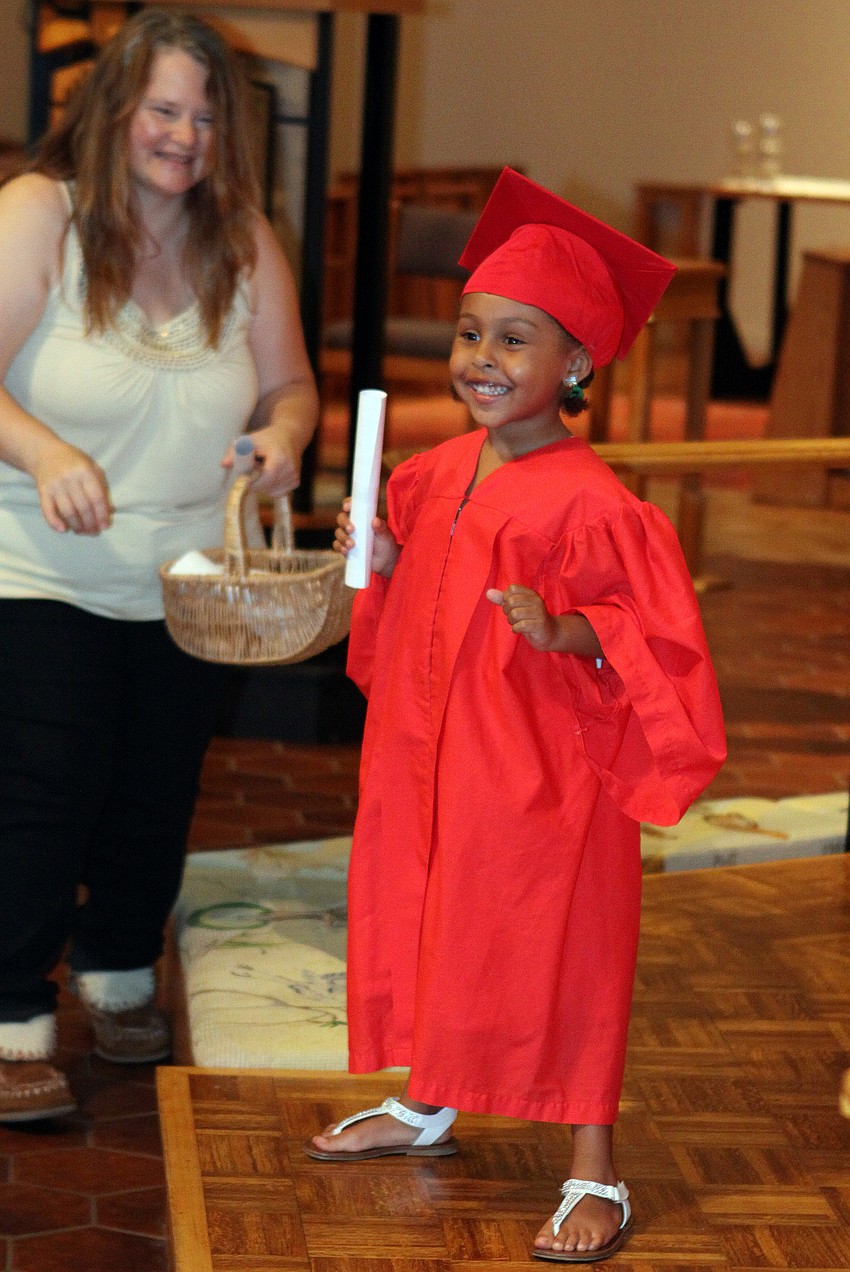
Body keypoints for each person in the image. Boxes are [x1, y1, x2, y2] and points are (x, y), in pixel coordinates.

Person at [311, 168, 726, 1263]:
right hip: (428, 756)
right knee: (432, 914)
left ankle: (596, 1170)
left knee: (564, 952)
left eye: (515, 341)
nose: (480, 362)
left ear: (577, 363)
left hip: (542, 771)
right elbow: (409, 612)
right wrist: (385, 558)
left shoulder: (600, 505)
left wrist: (565, 630)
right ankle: (428, 1099)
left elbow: (655, 641)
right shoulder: (431, 470)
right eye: (468, 334)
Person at [0, 9, 318, 1121]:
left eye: (204, 115)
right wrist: (45, 452)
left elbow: (292, 386)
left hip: (190, 579)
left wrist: (282, 438)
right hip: (40, 568)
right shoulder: (42, 213)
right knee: (42, 792)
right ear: (115, 110)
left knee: (154, 790)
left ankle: (122, 977)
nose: (183, 135)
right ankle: (9, 1019)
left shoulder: (241, 237)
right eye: (163, 110)